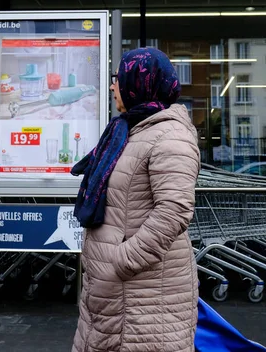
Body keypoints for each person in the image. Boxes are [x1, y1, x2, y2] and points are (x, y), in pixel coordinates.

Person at [70, 47, 201, 352]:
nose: (114, 86)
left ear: (140, 83)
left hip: (144, 296)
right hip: (114, 294)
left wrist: (122, 261)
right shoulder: (129, 130)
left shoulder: (169, 136)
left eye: (120, 78)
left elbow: (174, 211)